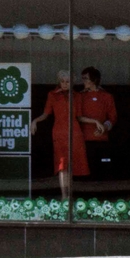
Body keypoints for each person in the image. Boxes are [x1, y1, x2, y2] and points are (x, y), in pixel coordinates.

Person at [30, 71, 88, 200]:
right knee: (62, 165)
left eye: (67, 81)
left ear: (72, 83)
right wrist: (35, 121)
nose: (65, 84)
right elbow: (46, 114)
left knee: (72, 166)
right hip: (59, 133)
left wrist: (95, 122)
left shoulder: (77, 96)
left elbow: (79, 117)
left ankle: (70, 196)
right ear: (59, 82)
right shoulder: (52, 95)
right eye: (62, 81)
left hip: (74, 132)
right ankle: (64, 196)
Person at [77, 67, 118, 196]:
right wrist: (94, 122)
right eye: (83, 78)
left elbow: (113, 117)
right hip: (84, 139)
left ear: (94, 80)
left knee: (102, 169)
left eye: (86, 78)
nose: (83, 81)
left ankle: (102, 197)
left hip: (102, 139)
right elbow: (77, 117)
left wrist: (104, 127)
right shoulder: (80, 96)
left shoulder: (106, 96)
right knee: (86, 171)